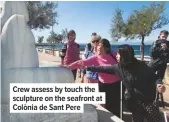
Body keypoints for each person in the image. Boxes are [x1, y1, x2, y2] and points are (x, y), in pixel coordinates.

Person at [86, 44, 166, 122]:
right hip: (135, 102)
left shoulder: (141, 65)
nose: (116, 55)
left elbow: (154, 77)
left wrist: (159, 84)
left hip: (148, 102)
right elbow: (104, 68)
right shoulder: (118, 67)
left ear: (124, 55)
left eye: (118, 54)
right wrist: (88, 67)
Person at [66, 38, 121, 117]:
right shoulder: (95, 58)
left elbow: (124, 59)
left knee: (115, 106)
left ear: (106, 48)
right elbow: (81, 62)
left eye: (100, 45)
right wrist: (68, 67)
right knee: (106, 106)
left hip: (116, 85)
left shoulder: (113, 54)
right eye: (98, 45)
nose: (98, 47)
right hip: (103, 85)